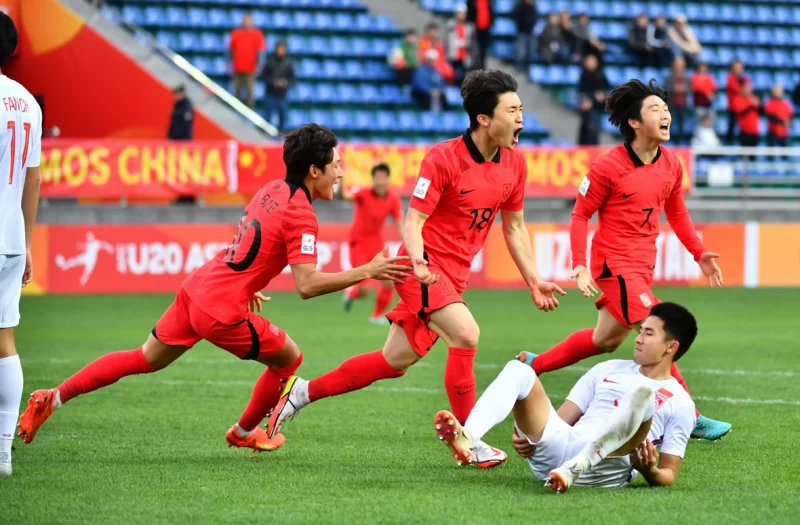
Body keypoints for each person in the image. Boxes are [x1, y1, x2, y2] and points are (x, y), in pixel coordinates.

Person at [17, 125, 413, 452]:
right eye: (336, 165)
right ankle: (243, 433)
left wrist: (249, 281)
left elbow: (249, 242)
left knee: (143, 357)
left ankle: (53, 397)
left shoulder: (272, 189)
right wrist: (368, 269)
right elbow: (307, 285)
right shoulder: (302, 213)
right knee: (289, 360)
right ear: (314, 170)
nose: (341, 173)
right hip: (220, 309)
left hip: (200, 285)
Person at [265, 70, 566, 467]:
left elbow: (514, 227)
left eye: (522, 109)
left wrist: (534, 280)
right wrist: (420, 261)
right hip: (421, 269)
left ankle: (300, 393)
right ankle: (470, 438)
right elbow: (414, 219)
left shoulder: (515, 166)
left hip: (453, 277)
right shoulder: (443, 158)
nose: (521, 119)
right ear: (484, 119)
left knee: (393, 362)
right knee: (466, 334)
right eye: (512, 111)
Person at [517, 79, 732, 441]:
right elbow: (580, 215)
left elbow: (677, 214)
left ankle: (533, 365)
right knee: (661, 326)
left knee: (605, 340)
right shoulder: (608, 167)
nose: (665, 115)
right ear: (634, 122)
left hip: (642, 264)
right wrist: (580, 263)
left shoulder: (671, 165)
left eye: (666, 110)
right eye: (655, 110)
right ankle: (690, 415)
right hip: (612, 265)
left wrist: (699, 253)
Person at [435, 303, 697, 492]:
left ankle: (579, 465)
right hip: (560, 456)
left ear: (671, 347)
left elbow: (668, 474)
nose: (638, 339)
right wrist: (530, 438)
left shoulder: (680, 402)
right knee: (519, 370)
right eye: (640, 330)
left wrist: (648, 469)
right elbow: (561, 421)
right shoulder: (606, 369)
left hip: (606, 468)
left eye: (648, 333)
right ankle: (470, 439)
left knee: (643, 397)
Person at [0, 12, 43, 477]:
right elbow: (33, 178)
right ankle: (3, 454)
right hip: (11, 237)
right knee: (4, 341)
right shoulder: (26, 102)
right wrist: (27, 241)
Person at [339, 163, 404, 325]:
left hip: (378, 244)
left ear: (388, 179)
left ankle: (376, 316)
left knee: (390, 281)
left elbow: (399, 224)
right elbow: (343, 196)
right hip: (359, 243)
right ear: (373, 179)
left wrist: (410, 242)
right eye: (377, 177)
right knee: (365, 289)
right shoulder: (363, 194)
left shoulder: (393, 199)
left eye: (383, 177)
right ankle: (351, 293)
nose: (380, 180)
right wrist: (341, 178)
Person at [229, 13, 266, 108]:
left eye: (249, 21)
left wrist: (260, 65)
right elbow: (231, 49)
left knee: (250, 93)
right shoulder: (236, 33)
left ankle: (250, 114)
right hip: (237, 68)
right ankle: (235, 112)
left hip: (251, 69)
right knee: (237, 92)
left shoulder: (257, 34)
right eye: (245, 20)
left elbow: (261, 52)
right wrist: (228, 62)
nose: (247, 23)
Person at [262, 40, 295, 133]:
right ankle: (266, 134)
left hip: (282, 94)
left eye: (282, 49)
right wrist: (273, 82)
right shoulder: (270, 61)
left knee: (283, 117)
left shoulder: (288, 63)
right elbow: (264, 76)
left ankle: (281, 136)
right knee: (268, 116)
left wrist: (285, 83)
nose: (280, 51)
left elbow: (292, 78)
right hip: (270, 93)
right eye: (279, 49)